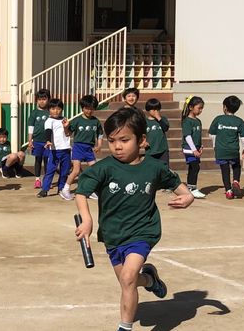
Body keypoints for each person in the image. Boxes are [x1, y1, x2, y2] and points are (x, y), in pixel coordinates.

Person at [74, 107, 194, 331]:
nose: (117, 147)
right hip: (113, 234)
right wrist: (87, 220)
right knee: (128, 281)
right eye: (111, 141)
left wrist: (187, 197)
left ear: (141, 140)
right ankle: (150, 279)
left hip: (143, 232)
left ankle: (125, 327)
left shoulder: (154, 167)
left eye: (124, 140)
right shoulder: (104, 168)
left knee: (128, 277)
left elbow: (177, 186)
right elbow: (81, 192)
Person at [60, 95, 103, 201]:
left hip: (89, 148)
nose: (89, 110)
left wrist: (99, 145)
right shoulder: (77, 120)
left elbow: (100, 134)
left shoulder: (96, 121)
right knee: (76, 170)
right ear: (82, 108)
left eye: (91, 108)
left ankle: (90, 190)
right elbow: (68, 134)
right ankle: (65, 190)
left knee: (94, 170)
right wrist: (65, 127)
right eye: (86, 108)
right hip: (78, 147)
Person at [208, 95, 244, 199]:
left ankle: (228, 190)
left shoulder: (218, 119)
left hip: (221, 150)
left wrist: (214, 146)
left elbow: (212, 135)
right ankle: (236, 180)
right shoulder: (239, 121)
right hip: (233, 150)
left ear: (225, 107)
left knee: (224, 170)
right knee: (236, 166)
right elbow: (243, 138)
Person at [37, 98, 71, 198]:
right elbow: (48, 131)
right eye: (53, 109)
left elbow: (68, 133)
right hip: (55, 150)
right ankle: (45, 189)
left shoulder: (64, 119)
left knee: (65, 171)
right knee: (50, 171)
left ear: (62, 110)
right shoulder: (49, 121)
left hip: (66, 149)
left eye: (58, 109)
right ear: (49, 110)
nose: (56, 111)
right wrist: (48, 141)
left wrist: (66, 127)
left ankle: (61, 188)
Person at [181, 96, 206, 198]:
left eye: (201, 108)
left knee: (195, 167)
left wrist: (200, 146)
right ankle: (192, 188)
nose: (200, 110)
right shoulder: (187, 121)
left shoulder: (198, 121)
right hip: (189, 149)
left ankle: (191, 187)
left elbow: (197, 135)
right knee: (194, 166)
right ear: (191, 107)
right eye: (199, 108)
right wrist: (194, 149)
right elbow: (187, 136)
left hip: (196, 149)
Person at [27, 89, 51, 189]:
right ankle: (37, 180)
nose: (42, 101)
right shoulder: (34, 113)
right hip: (37, 141)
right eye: (40, 99)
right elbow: (30, 127)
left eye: (44, 99)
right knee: (38, 160)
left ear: (48, 99)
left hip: (48, 142)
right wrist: (30, 140)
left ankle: (46, 180)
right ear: (37, 100)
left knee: (47, 161)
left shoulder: (51, 111)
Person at [144, 98, 170, 166]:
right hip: (150, 151)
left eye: (157, 109)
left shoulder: (163, 119)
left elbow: (166, 128)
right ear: (148, 110)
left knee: (164, 169)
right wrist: (143, 142)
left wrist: (159, 118)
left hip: (163, 150)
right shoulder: (145, 122)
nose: (156, 111)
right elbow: (140, 134)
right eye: (153, 109)